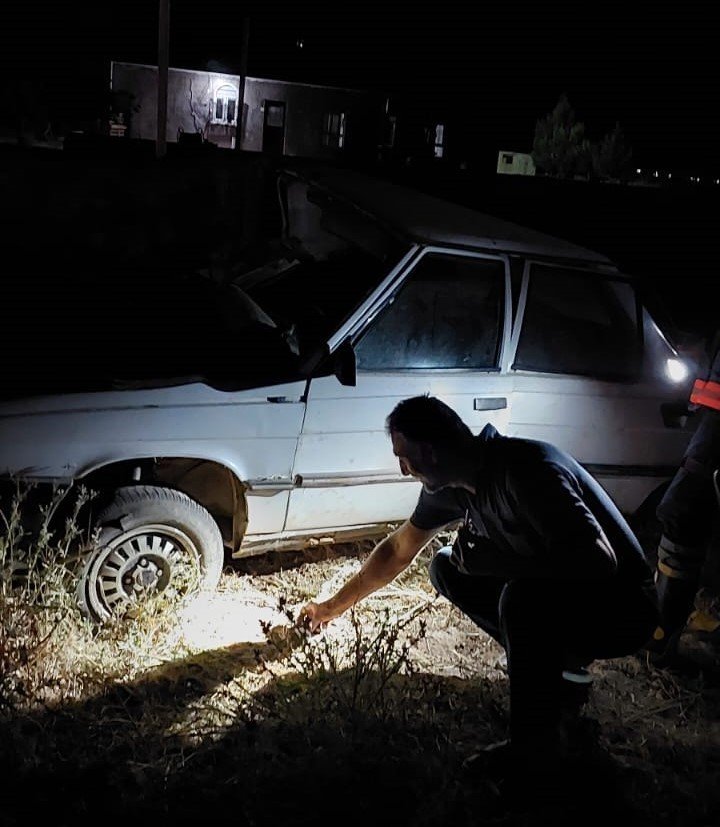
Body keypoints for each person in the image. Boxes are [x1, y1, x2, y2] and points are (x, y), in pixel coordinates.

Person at [299, 395, 659, 777]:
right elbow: (399, 549)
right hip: (569, 595)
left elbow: (599, 561)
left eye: (403, 457)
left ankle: (532, 749)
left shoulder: (527, 470)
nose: (404, 470)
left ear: (431, 451)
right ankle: (557, 672)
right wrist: (329, 609)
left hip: (623, 610)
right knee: (446, 567)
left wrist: (503, 562)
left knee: (520, 598)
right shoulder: (453, 486)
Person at [648, 331, 720, 666]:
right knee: (683, 517)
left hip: (715, 432)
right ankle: (665, 634)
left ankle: (664, 637)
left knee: (682, 514)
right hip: (712, 425)